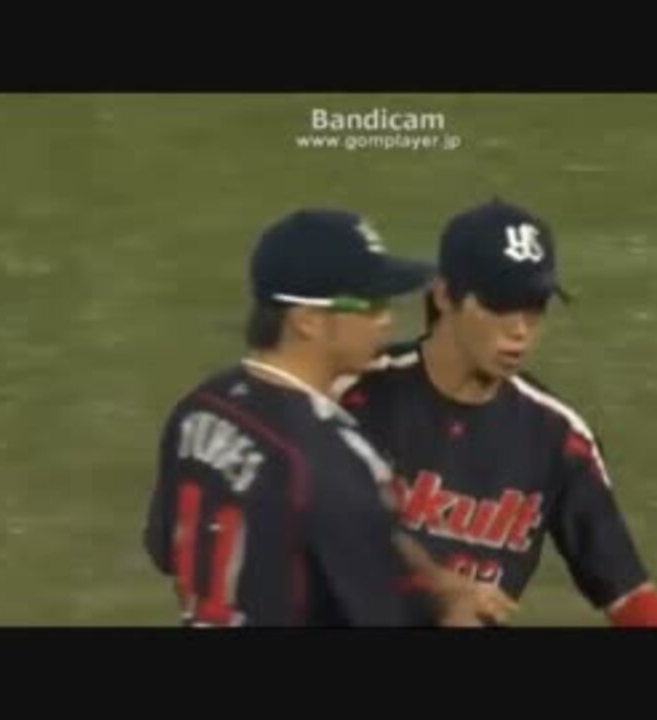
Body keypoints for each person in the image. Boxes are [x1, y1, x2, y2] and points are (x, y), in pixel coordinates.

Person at [334, 199, 657, 627]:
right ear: (444, 295)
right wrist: (435, 590)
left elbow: (630, 595)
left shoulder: (557, 437)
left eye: (534, 306)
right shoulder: (350, 395)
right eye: (499, 305)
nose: (520, 329)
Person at [143, 207, 482, 626]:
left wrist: (439, 583)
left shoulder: (201, 407)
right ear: (307, 321)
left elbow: (167, 552)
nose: (386, 320)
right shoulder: (334, 460)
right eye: (370, 304)